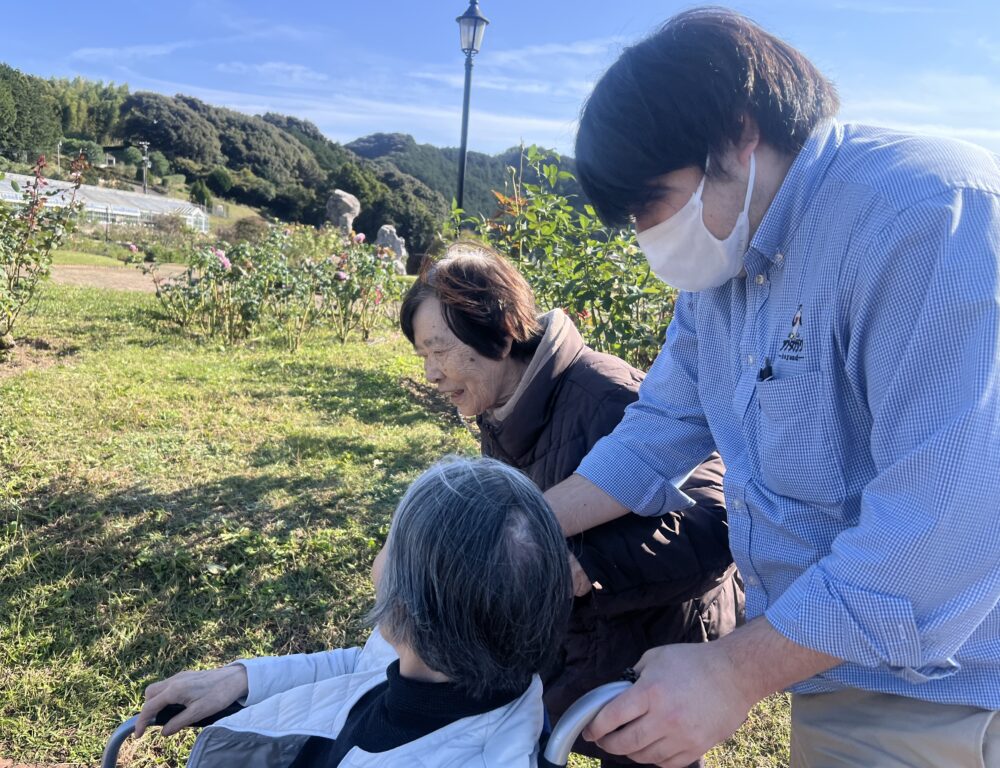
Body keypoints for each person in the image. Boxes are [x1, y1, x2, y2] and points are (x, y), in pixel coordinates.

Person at [533, 7, 1000, 767]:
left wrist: (732, 669)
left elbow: (941, 533)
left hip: (950, 682)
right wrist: (518, 526)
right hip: (836, 661)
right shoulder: (723, 266)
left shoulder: (925, 220)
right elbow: (657, 432)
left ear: (739, 134)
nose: (648, 233)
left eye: (654, 199)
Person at [399, 242, 742, 767]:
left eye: (439, 350)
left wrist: (588, 563)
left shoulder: (606, 395)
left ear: (501, 329)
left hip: (655, 645)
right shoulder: (502, 407)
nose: (431, 374)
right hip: (593, 643)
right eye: (423, 356)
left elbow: (716, 516)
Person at [134, 457, 571, 767]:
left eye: (389, 544)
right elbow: (362, 668)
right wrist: (244, 678)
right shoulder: (454, 658)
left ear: (406, 602)